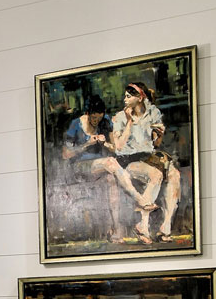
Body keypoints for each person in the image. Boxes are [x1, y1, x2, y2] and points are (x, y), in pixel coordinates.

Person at [61, 96, 157, 241]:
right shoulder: (76, 124)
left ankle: (117, 232)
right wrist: (86, 144)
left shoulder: (105, 120)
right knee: (110, 163)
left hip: (101, 166)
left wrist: (105, 143)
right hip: (80, 168)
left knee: (112, 179)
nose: (96, 121)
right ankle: (140, 199)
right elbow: (66, 154)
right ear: (87, 113)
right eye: (93, 118)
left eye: (99, 118)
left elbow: (115, 149)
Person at [111, 83, 181, 244]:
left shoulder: (153, 113)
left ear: (140, 97)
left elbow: (155, 144)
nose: (125, 99)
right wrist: (129, 122)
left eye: (129, 96)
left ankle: (166, 227)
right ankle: (142, 225)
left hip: (149, 157)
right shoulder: (120, 117)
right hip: (129, 159)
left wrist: (159, 135)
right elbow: (119, 147)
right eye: (125, 96)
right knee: (155, 174)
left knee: (174, 175)